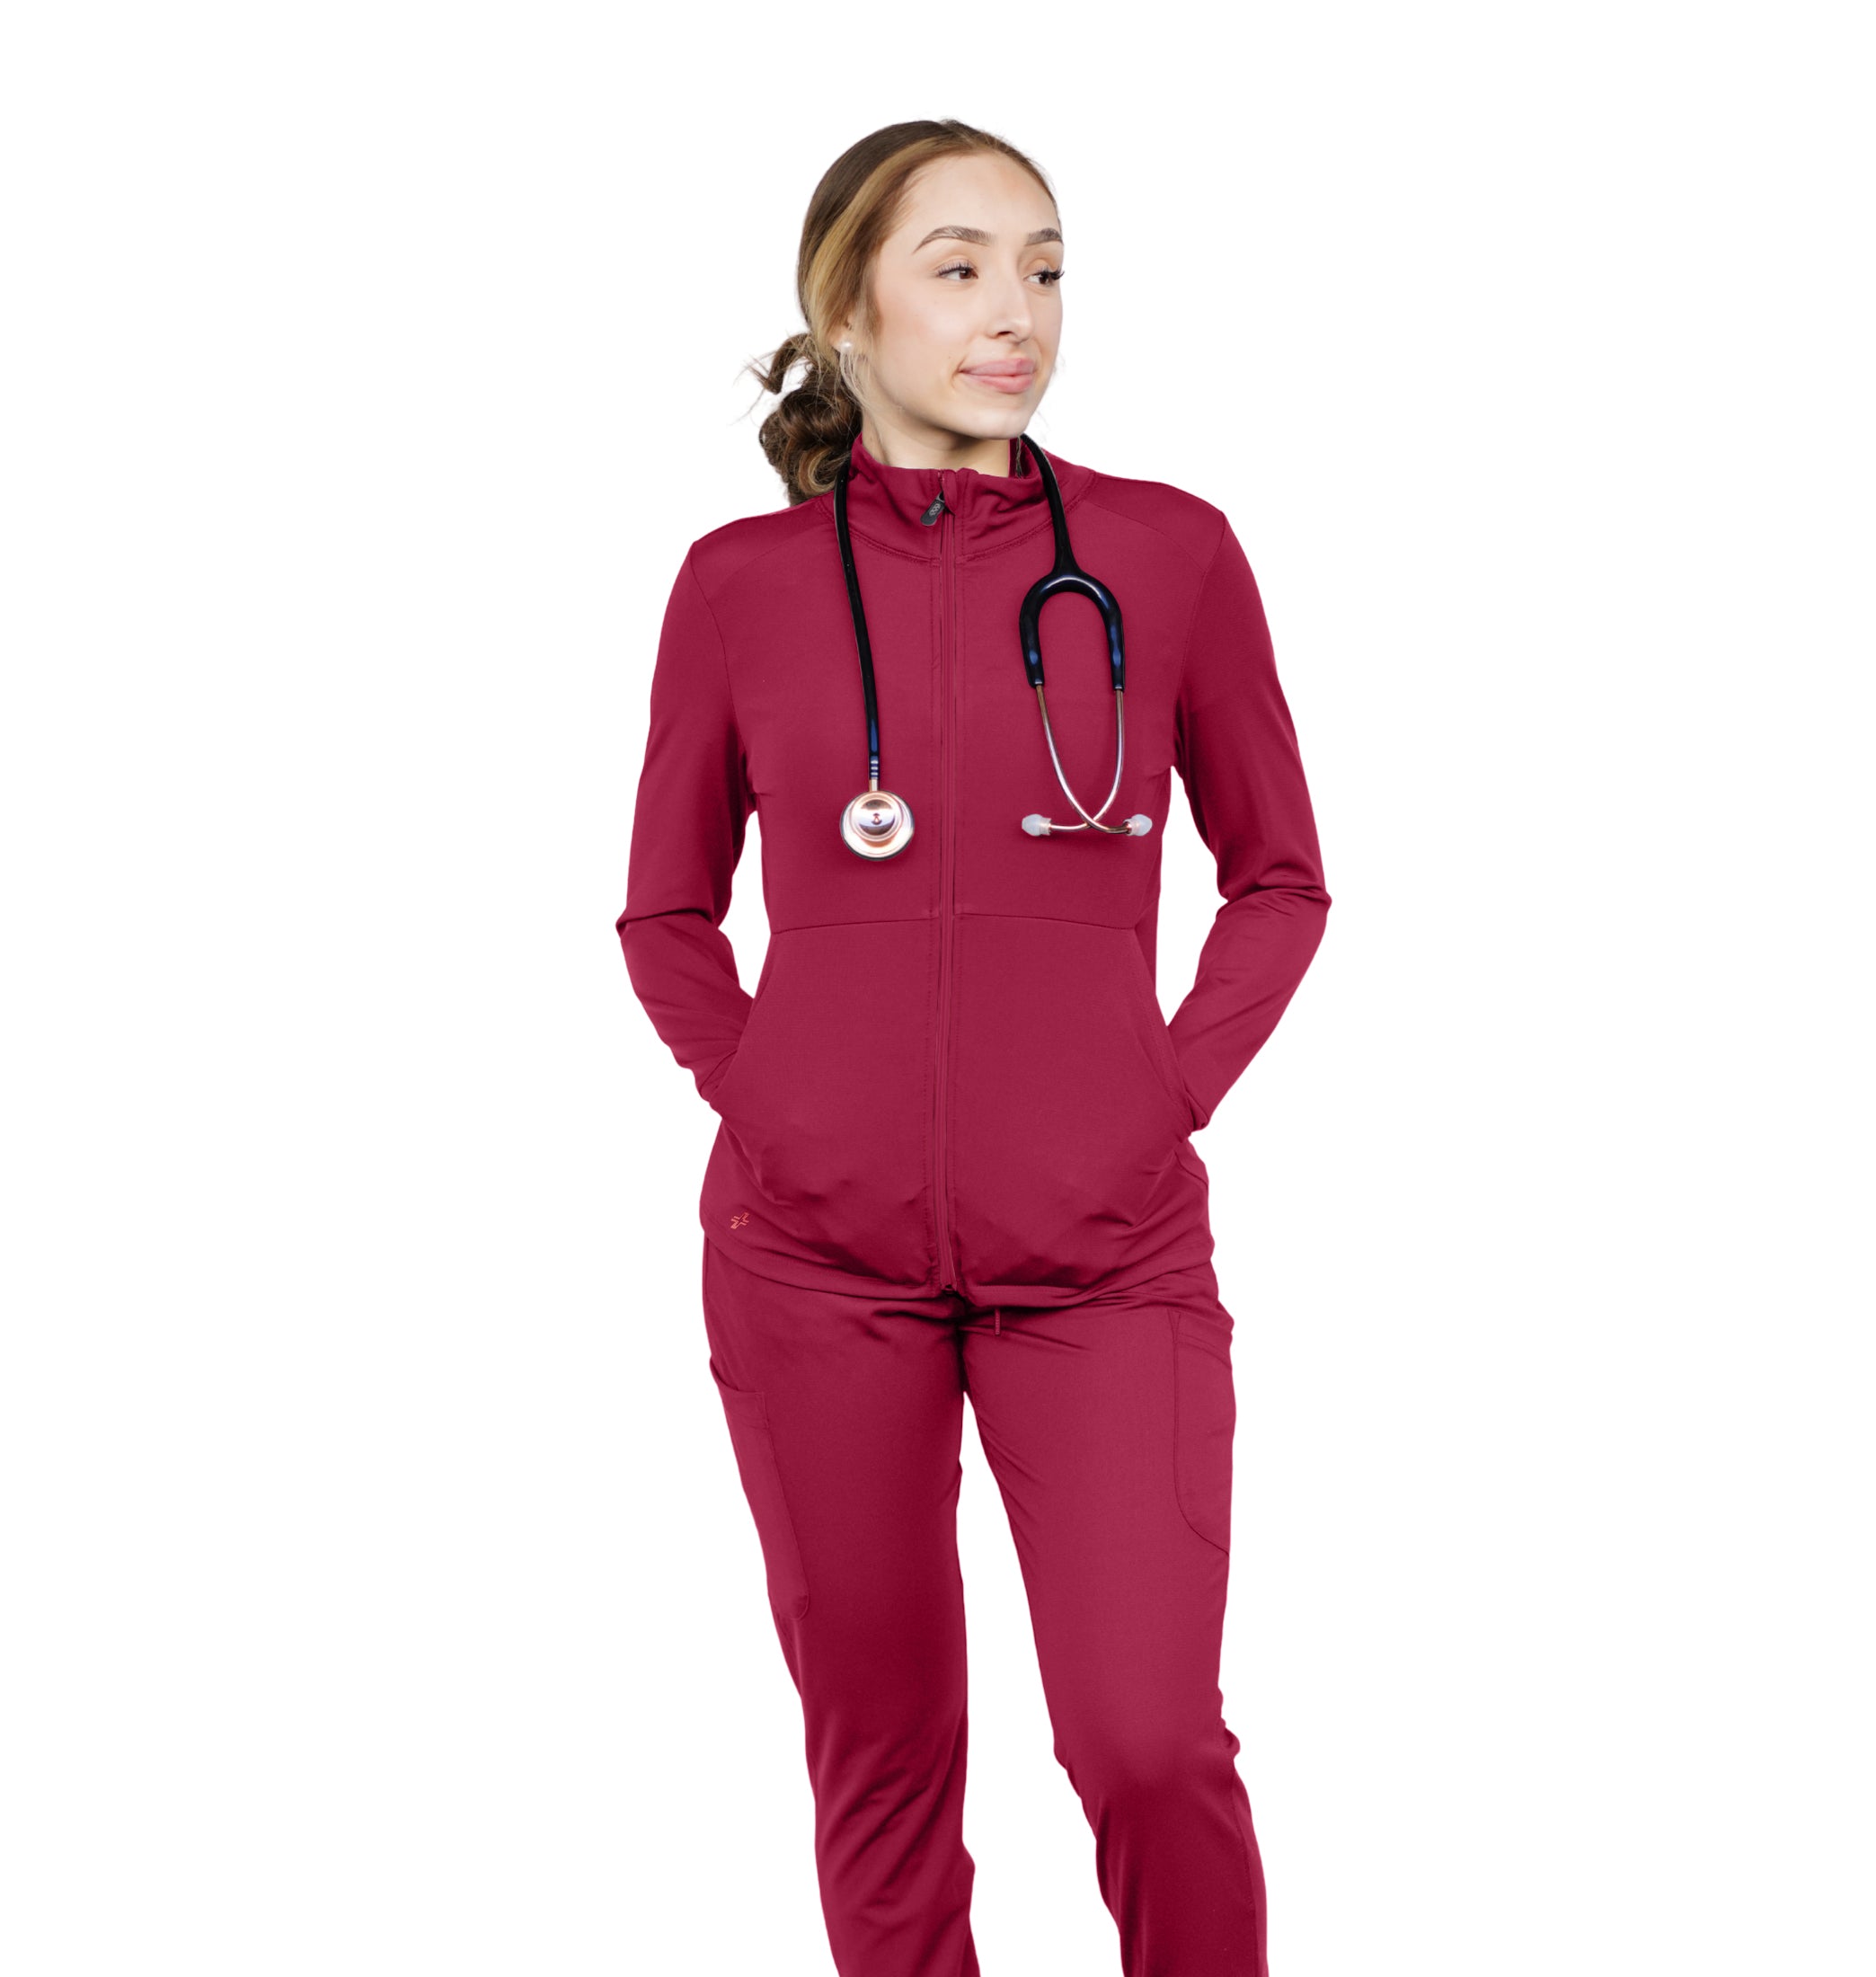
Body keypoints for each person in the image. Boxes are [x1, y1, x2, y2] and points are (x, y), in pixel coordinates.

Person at [615, 118, 1332, 1977]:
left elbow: (1278, 877)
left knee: (1147, 1743)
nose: (1017, 311)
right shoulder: (738, 585)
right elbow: (665, 913)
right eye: (958, 268)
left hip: (1105, 1257)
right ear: (846, 311)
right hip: (809, 1261)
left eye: (1045, 266)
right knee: (881, 1757)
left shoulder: (1166, 556)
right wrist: (775, 1100)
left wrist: (1157, 1093)